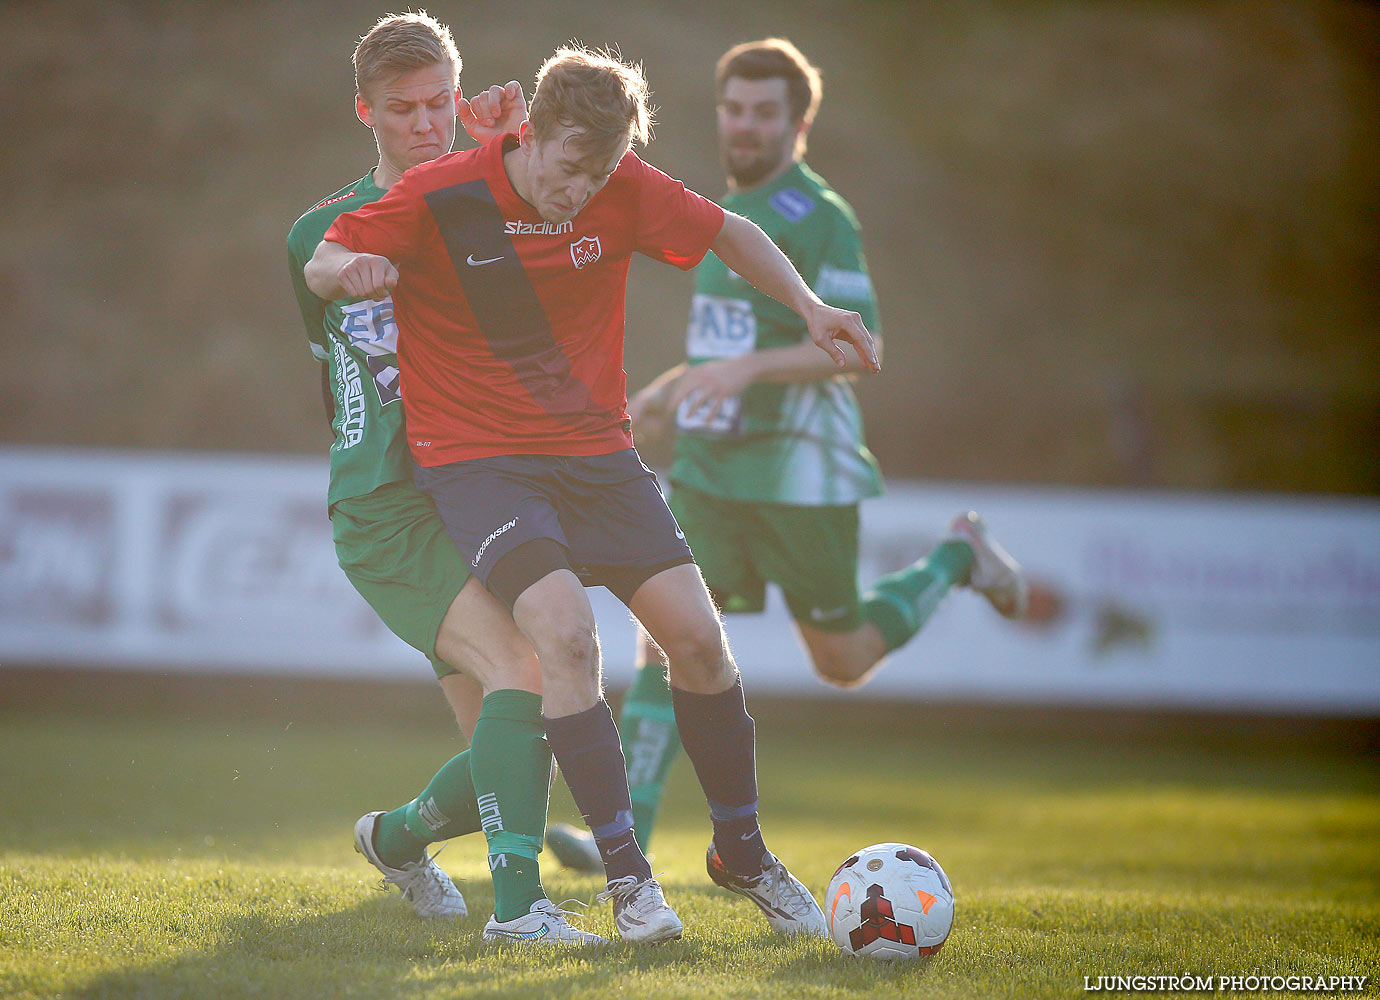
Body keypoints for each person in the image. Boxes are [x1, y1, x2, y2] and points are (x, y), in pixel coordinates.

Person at [305, 43, 879, 943]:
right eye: (572, 166)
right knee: (564, 640)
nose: (583, 188)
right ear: (529, 135)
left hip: (596, 457)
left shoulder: (620, 185)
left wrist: (810, 307)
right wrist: (354, 272)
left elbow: (730, 229)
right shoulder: (444, 190)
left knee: (696, 639)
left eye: (603, 169)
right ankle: (628, 880)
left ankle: (743, 855)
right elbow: (325, 258)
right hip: (479, 463)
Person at [543, 38, 1029, 870]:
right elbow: (725, 344)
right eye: (734, 108)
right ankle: (627, 839)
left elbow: (857, 347)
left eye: (765, 113)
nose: (745, 126)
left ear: (799, 122)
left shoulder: (819, 216)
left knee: (840, 661)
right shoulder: (721, 208)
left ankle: (956, 557)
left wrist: (742, 372)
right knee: (664, 640)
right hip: (711, 470)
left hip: (801, 473)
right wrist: (672, 389)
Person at [286, 12, 604, 946]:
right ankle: (520, 913)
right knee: (526, 675)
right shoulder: (322, 228)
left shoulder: (488, 208)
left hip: (481, 489)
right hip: (389, 504)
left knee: (510, 734)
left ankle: (393, 840)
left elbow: (569, 223)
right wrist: (351, 269)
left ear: (457, 97)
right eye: (401, 110)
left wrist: (508, 142)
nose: (423, 124)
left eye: (438, 105)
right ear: (366, 113)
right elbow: (329, 345)